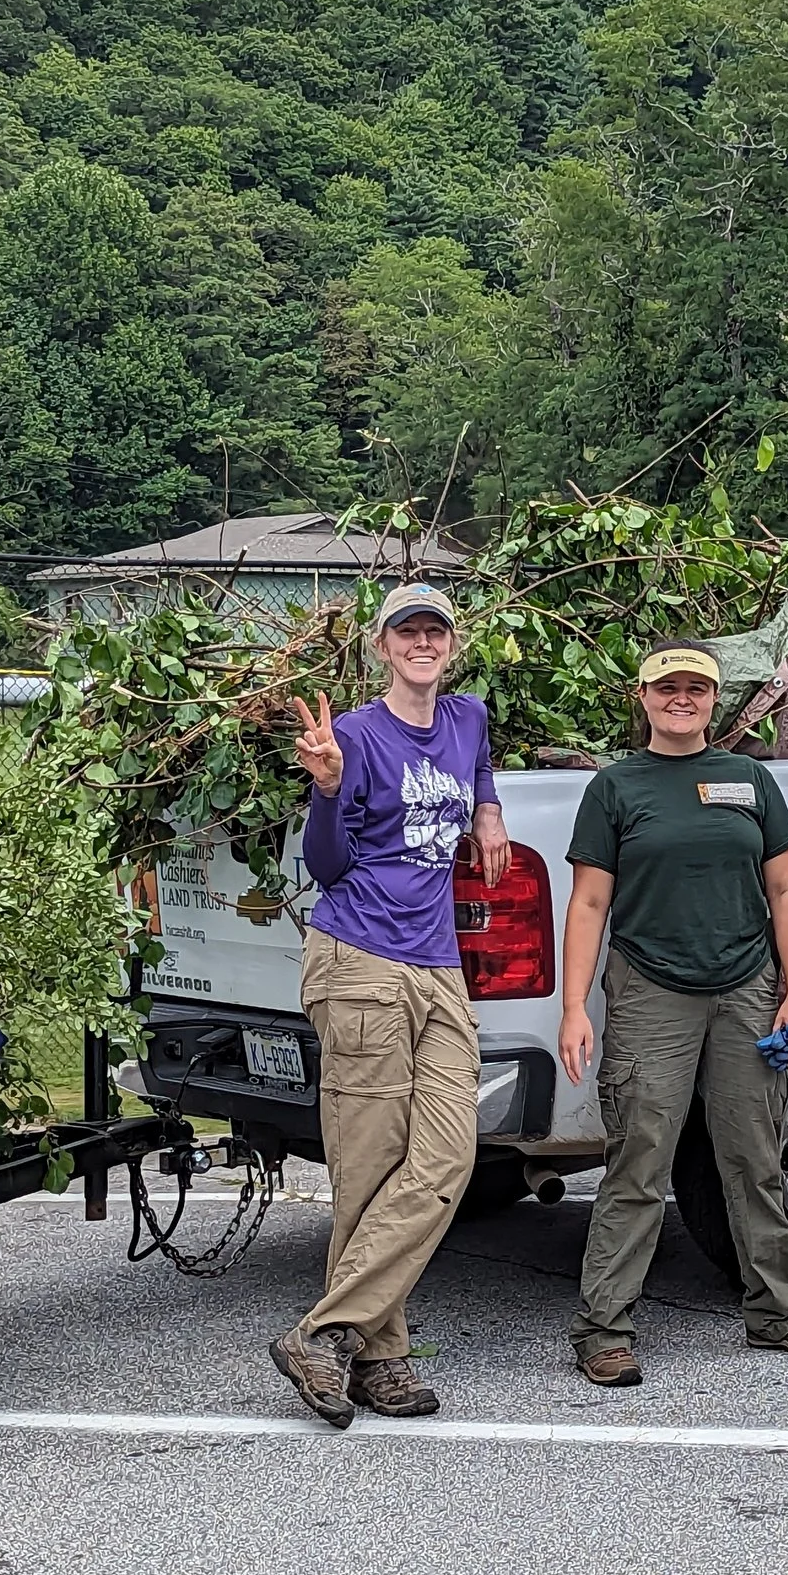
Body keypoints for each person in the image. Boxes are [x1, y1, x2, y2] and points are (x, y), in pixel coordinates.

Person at [556, 640, 788, 1385]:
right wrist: (573, 1008)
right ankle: (604, 1328)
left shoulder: (747, 780)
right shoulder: (617, 788)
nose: (681, 698)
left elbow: (787, 890)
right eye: (666, 687)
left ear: (715, 700)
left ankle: (779, 1312)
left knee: (751, 1155)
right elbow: (589, 902)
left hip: (747, 987)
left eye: (696, 688)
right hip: (652, 989)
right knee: (639, 1159)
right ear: (643, 697)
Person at [267, 581, 510, 1428]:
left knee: (446, 1160)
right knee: (370, 1172)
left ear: (451, 644)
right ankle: (383, 1359)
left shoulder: (469, 717)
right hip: (361, 959)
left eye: (434, 631)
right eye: (406, 632)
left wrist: (488, 812)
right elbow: (328, 867)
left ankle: (324, 1334)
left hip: (440, 966)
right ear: (381, 647)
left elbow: (477, 770)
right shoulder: (360, 737)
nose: (422, 643)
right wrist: (329, 787)